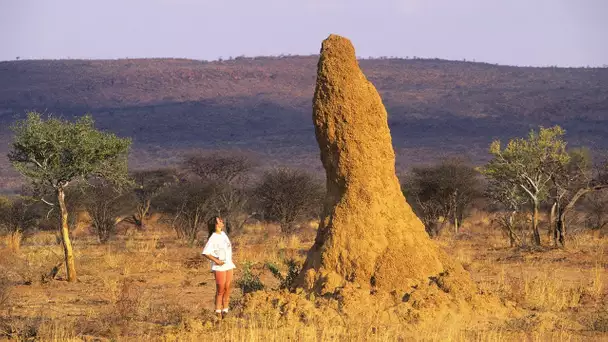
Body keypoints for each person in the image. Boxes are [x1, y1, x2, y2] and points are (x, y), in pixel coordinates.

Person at [202, 216, 235, 319]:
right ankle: (217, 311)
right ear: (216, 224)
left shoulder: (223, 234)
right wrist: (216, 261)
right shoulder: (213, 237)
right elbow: (205, 252)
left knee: (228, 287)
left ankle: (225, 310)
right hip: (219, 267)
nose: (222, 221)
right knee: (220, 289)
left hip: (228, 264)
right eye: (219, 220)